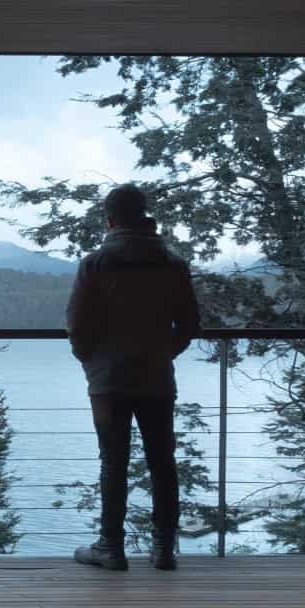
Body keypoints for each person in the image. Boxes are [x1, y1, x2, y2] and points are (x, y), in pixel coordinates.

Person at [64, 184, 202, 571]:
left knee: (114, 463)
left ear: (109, 220)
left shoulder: (95, 264)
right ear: (144, 215)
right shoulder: (172, 264)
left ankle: (111, 547)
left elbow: (76, 324)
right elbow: (189, 324)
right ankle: (164, 549)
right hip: (157, 377)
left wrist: (93, 361)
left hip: (108, 380)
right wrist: (162, 353)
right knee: (162, 462)